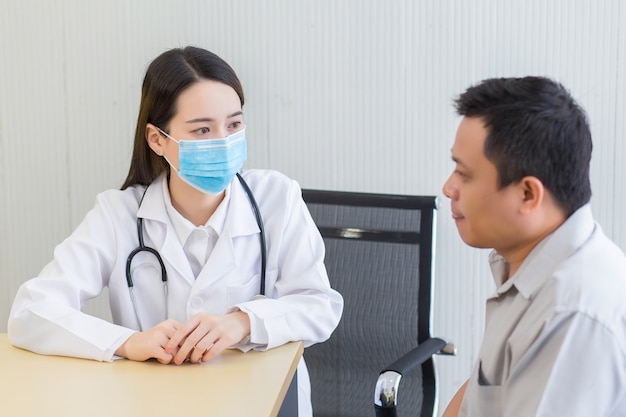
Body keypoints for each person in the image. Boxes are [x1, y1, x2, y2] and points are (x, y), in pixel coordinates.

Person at [8, 46, 343, 417]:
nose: (223, 141)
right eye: (202, 129)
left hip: (265, 404)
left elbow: (320, 306)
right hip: (155, 404)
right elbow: (31, 313)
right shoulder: (118, 215)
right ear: (157, 139)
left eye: (233, 125)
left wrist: (244, 322)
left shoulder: (277, 198)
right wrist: (126, 342)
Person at [441, 76, 626, 416]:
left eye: (464, 175)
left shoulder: (571, 313)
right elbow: (481, 395)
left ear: (527, 194)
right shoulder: (528, 266)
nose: (448, 188)